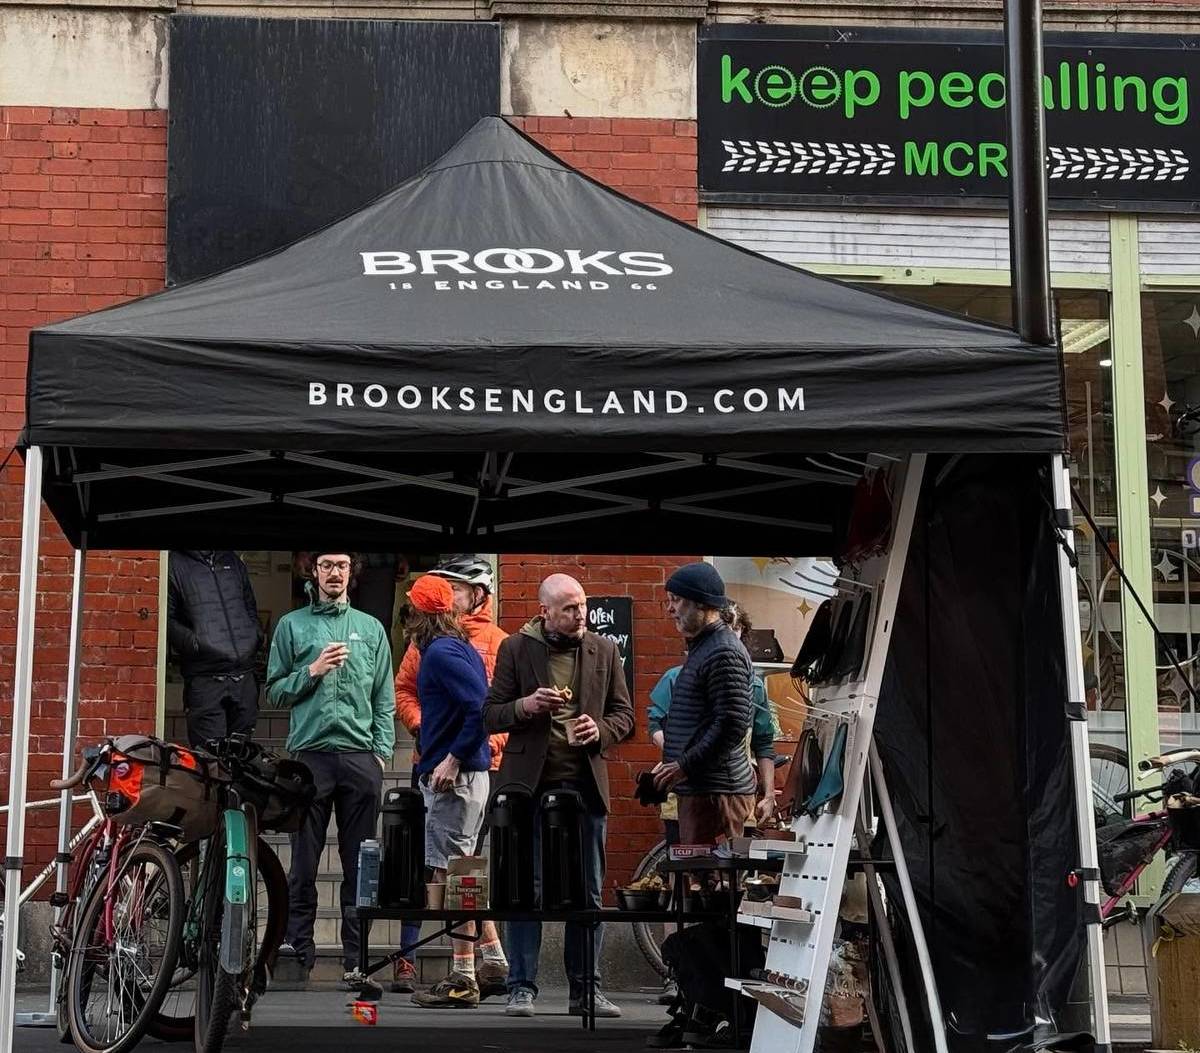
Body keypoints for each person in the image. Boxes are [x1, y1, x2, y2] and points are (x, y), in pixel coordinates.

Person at [483, 573, 635, 1019]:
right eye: (569, 608)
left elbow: (625, 715)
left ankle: (586, 990)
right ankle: (521, 988)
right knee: (523, 889)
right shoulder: (516, 647)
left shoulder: (604, 649)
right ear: (544, 610)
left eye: (582, 605)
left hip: (583, 786)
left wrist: (600, 730)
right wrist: (524, 707)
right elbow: (489, 714)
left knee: (586, 889)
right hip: (528, 785)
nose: (580, 615)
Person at [265, 550, 396, 988]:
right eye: (326, 566)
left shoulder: (371, 629)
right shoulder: (292, 625)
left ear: (351, 573)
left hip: (360, 760)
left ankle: (355, 960)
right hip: (309, 757)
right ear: (313, 571)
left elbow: (384, 697)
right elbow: (275, 692)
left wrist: (380, 753)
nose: (334, 573)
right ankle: (296, 951)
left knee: (359, 866)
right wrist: (313, 670)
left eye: (342, 566)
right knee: (303, 864)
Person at [392, 555, 509, 995]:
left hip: (456, 778)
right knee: (463, 871)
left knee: (453, 876)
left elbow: (481, 708)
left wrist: (454, 758)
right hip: (458, 774)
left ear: (424, 613)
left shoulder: (441, 652)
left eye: (413, 608)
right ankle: (493, 961)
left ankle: (463, 976)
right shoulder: (452, 646)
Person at [649, 602, 780, 831]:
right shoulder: (677, 679)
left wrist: (768, 794)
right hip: (686, 788)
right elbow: (655, 723)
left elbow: (763, 743)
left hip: (734, 788)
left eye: (733, 627)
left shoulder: (754, 687)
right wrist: (679, 757)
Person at [653, 563, 756, 845]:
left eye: (676, 601)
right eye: (669, 601)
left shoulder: (723, 651)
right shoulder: (705, 648)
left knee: (710, 883)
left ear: (701, 604)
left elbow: (732, 723)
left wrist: (684, 765)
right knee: (697, 882)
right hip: (704, 789)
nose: (669, 609)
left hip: (717, 794)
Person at [167, 550, 263, 748]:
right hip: (205, 681)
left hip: (244, 679)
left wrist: (254, 635)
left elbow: (249, 605)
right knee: (210, 763)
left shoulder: (232, 559)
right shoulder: (173, 563)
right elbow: (167, 618)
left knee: (242, 760)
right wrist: (196, 644)